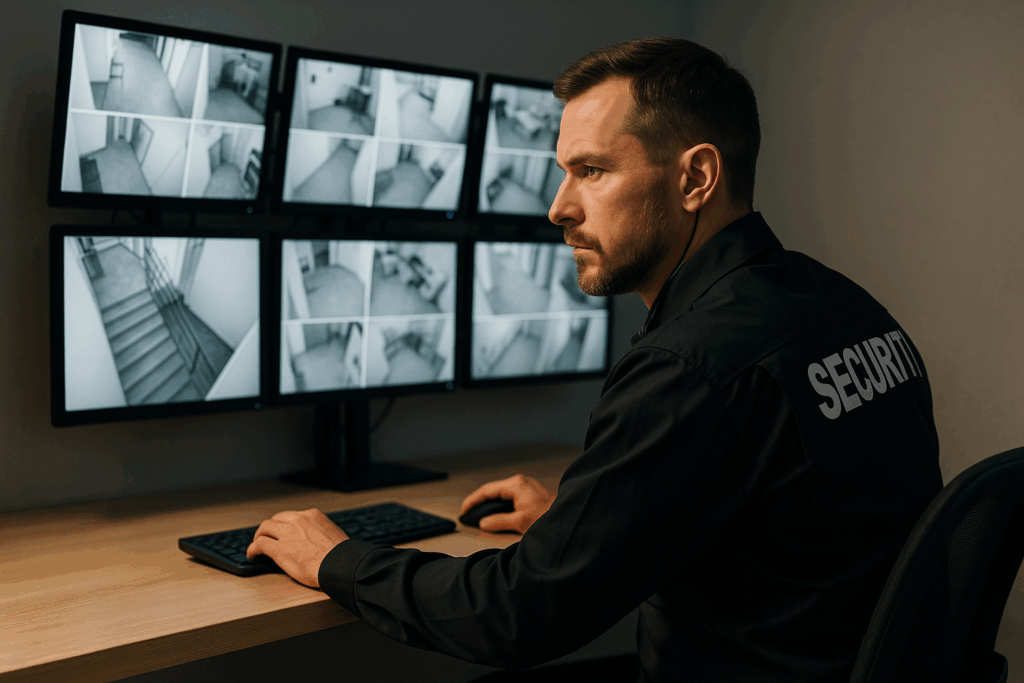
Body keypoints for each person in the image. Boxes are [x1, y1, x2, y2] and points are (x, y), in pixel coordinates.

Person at [247, 37, 943, 682]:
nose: (557, 208)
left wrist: (336, 558)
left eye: (591, 171)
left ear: (696, 176)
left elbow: (515, 615)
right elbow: (795, 526)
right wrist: (600, 520)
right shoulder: (846, 308)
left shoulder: (691, 365)